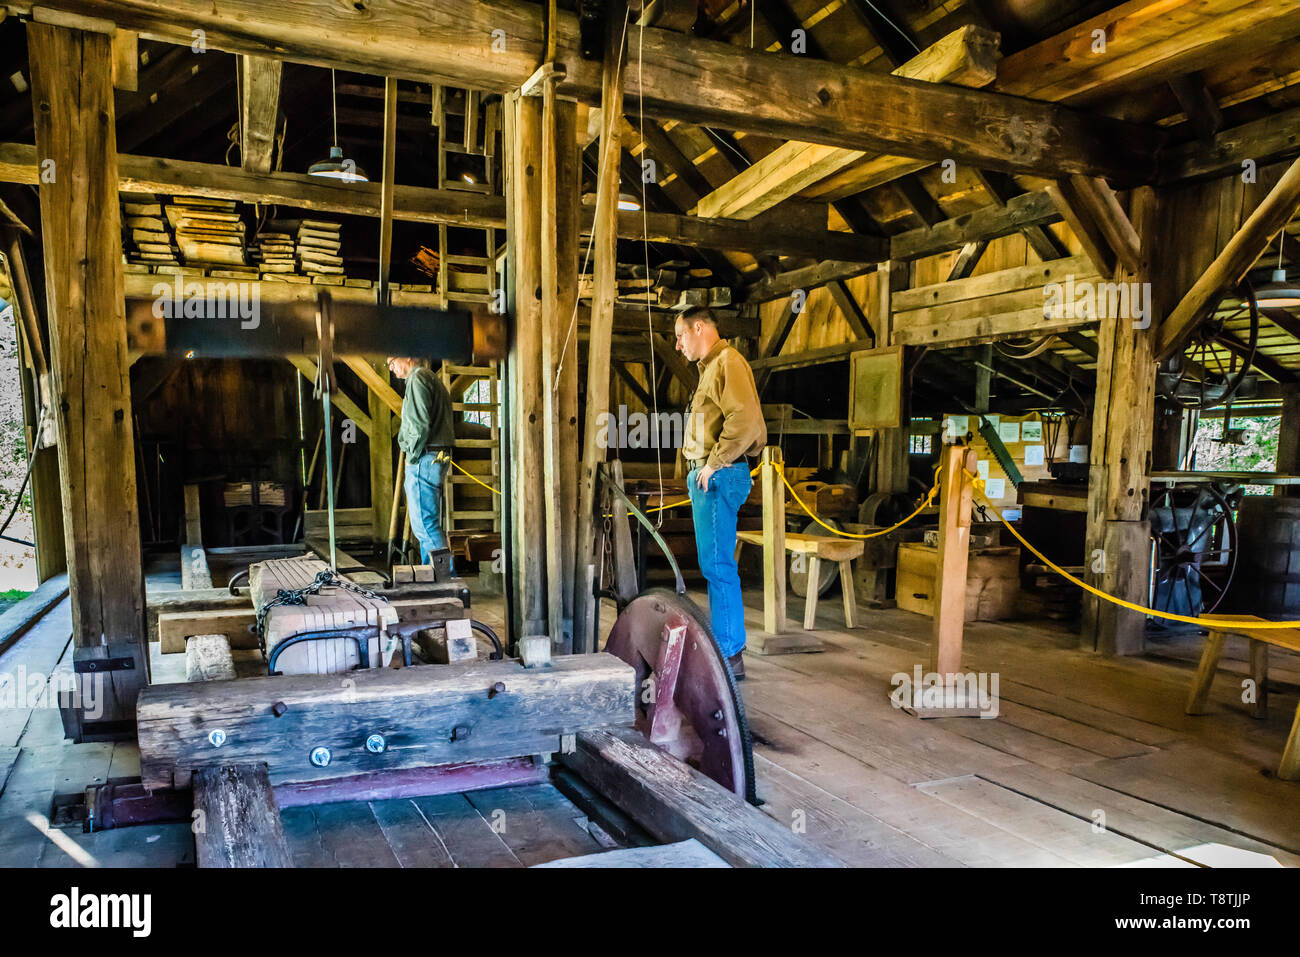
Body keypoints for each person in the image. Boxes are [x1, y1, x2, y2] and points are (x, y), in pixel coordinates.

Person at [675, 307, 767, 680]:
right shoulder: (713, 367)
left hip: (718, 474)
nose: (678, 345)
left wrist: (713, 463)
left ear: (700, 328)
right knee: (716, 564)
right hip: (713, 474)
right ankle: (727, 650)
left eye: (681, 335)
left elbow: (745, 419)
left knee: (718, 566)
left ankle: (729, 655)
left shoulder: (726, 362)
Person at [387, 356, 455, 571]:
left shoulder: (417, 379)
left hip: (424, 458)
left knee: (425, 526)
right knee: (428, 525)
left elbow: (418, 427)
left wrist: (412, 455)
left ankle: (446, 579)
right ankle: (434, 577)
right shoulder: (430, 378)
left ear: (407, 356)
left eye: (392, 361)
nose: (391, 367)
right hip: (435, 456)